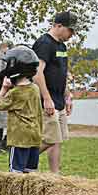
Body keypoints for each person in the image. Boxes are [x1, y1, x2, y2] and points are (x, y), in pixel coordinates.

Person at [33, 11, 76, 173]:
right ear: (58, 26)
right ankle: (22, 160)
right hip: (47, 100)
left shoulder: (62, 46)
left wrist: (68, 95)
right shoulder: (44, 43)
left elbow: (62, 72)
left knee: (58, 139)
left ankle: (55, 175)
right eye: (70, 30)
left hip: (59, 99)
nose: (72, 35)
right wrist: (46, 98)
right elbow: (37, 72)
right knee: (50, 138)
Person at [0, 47, 43, 173]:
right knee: (30, 172)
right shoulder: (35, 88)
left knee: (15, 172)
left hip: (19, 139)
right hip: (34, 136)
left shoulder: (15, 93)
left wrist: (4, 88)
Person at [0, 40, 13, 152]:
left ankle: (5, 143)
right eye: (4, 52)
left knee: (6, 121)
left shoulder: (12, 63)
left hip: (9, 93)